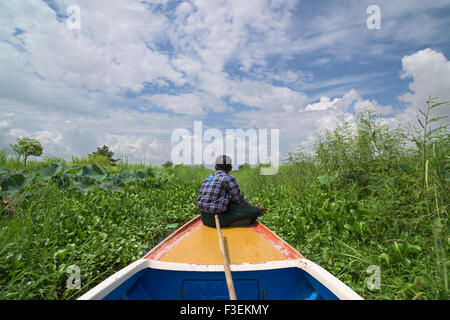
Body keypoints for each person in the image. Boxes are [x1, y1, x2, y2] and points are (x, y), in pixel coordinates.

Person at [197, 155, 266, 228]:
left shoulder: (208, 177)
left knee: (231, 203)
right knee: (254, 211)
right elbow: (238, 201)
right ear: (230, 168)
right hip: (217, 219)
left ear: (215, 167)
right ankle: (232, 223)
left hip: (204, 218)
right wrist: (253, 208)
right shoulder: (228, 177)